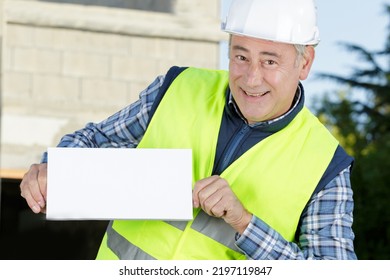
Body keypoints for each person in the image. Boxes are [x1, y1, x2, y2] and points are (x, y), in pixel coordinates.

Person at [19, 0, 357, 260]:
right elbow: (93, 140)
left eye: (270, 61)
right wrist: (54, 172)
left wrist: (246, 224)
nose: (251, 78)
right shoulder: (178, 87)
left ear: (305, 63)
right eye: (240, 57)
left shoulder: (326, 165)